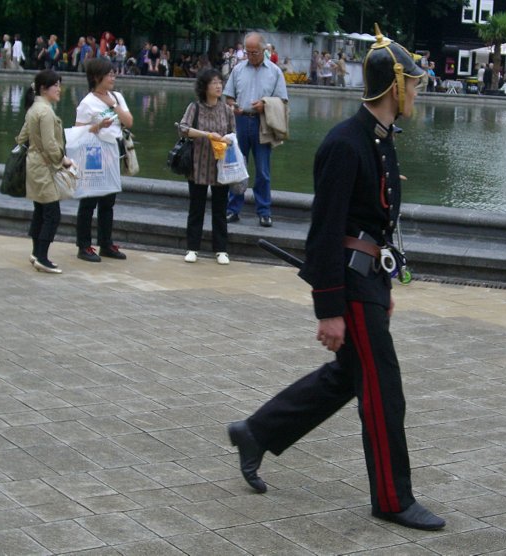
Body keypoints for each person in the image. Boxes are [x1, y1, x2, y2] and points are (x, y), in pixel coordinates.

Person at [227, 27, 445, 532]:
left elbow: (378, 225)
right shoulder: (345, 145)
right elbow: (325, 233)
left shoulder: (379, 141)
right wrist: (328, 310)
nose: (416, 91)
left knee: (349, 376)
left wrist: (384, 287)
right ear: (393, 86)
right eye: (412, 83)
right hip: (348, 288)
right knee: (383, 390)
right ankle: (392, 498)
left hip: (369, 282)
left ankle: (255, 432)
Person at [223, 32, 288, 227]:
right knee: (237, 167)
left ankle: (264, 211)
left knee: (262, 169)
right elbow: (228, 96)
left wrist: (265, 105)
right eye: (249, 52)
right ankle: (233, 209)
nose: (251, 56)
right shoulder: (238, 69)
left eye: (255, 52)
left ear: (264, 50)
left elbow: (283, 101)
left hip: (262, 122)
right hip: (240, 121)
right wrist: (233, 106)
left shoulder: (275, 71)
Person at [75, 57, 133, 263]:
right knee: (89, 200)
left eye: (113, 73)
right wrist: (98, 126)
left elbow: (129, 121)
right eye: (109, 74)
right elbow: (78, 132)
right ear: (96, 77)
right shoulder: (87, 103)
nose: (112, 77)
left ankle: (106, 243)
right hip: (94, 153)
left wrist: (114, 105)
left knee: (108, 201)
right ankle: (83, 245)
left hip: (113, 151)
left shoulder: (116, 96)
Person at [16, 70, 73, 274]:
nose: (59, 89)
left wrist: (35, 147)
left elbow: (21, 137)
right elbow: (50, 145)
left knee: (40, 210)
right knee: (52, 213)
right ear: (43, 88)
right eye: (55, 85)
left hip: (34, 165)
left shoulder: (33, 109)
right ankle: (42, 256)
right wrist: (63, 159)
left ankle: (36, 252)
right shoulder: (46, 111)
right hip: (43, 167)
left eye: (59, 84)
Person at [178, 68, 236, 265]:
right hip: (198, 164)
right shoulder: (195, 107)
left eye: (220, 82)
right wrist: (207, 134)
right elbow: (183, 129)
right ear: (205, 87)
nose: (219, 86)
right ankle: (192, 248)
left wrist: (226, 140)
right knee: (196, 207)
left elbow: (233, 135)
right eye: (214, 83)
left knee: (220, 209)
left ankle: (221, 249)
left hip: (221, 165)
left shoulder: (227, 110)